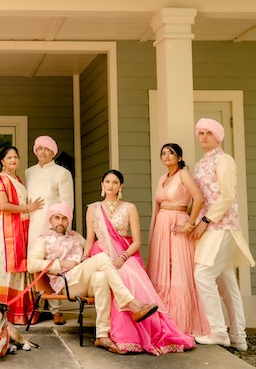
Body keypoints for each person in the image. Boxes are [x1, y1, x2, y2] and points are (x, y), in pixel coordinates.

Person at [84, 170, 195, 355]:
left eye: (115, 182)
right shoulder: (93, 209)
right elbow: (89, 240)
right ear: (102, 185)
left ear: (121, 186)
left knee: (129, 278)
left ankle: (142, 329)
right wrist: (84, 260)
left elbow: (136, 241)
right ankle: (121, 333)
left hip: (126, 254)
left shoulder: (129, 207)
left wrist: (123, 257)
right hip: (101, 253)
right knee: (109, 276)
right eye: (107, 182)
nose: (110, 185)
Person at [27, 203, 160, 355]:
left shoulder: (76, 237)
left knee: (101, 276)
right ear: (50, 220)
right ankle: (131, 302)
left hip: (83, 279)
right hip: (66, 282)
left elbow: (91, 250)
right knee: (102, 258)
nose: (60, 222)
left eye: (64, 218)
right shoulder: (43, 239)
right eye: (56, 218)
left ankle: (102, 335)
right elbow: (31, 265)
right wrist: (61, 263)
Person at [190, 118, 256, 351]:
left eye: (209, 132)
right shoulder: (200, 163)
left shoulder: (224, 160)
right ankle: (239, 336)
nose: (204, 136)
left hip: (222, 226)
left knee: (202, 275)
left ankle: (218, 331)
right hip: (208, 228)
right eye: (201, 132)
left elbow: (227, 195)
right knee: (226, 282)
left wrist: (206, 220)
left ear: (218, 136)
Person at [147, 143, 210, 337]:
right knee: (162, 269)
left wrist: (189, 224)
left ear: (179, 157)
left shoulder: (183, 174)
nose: (166, 156)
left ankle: (182, 321)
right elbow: (156, 207)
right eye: (163, 153)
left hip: (178, 223)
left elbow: (198, 198)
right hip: (162, 225)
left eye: (170, 153)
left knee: (179, 270)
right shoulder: (162, 179)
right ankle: (162, 318)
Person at [0, 146, 44, 325]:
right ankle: (4, 313)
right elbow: (3, 205)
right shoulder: (1, 179)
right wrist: (28, 208)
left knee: (21, 267)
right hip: (6, 229)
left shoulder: (18, 179)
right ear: (2, 161)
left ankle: (21, 312)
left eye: (15, 156)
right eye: (9, 157)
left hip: (21, 226)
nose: (13, 160)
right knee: (6, 268)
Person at [25, 135, 74, 324]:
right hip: (32, 225)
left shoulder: (62, 173)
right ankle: (36, 306)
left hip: (53, 225)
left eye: (47, 149)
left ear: (53, 151)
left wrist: (60, 225)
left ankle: (56, 308)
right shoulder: (29, 172)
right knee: (35, 264)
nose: (42, 152)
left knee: (53, 265)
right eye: (39, 148)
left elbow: (67, 203)